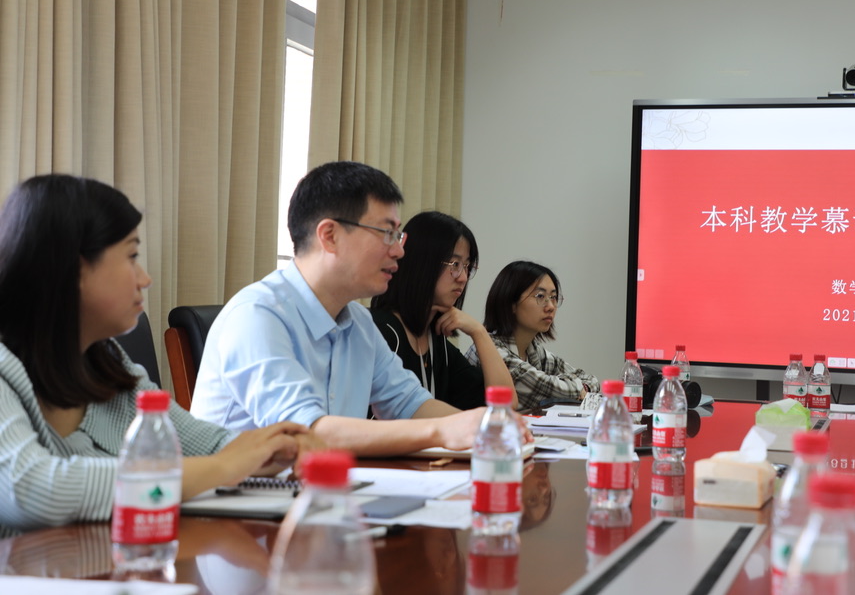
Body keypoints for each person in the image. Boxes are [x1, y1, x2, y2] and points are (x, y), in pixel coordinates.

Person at [0, 175, 309, 534]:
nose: (144, 278)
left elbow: (208, 445)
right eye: (131, 256)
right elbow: (33, 490)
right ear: (74, 269)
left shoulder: (106, 360)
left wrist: (276, 448)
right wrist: (226, 466)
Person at [191, 161, 509, 456]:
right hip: (240, 494)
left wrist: (492, 429)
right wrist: (441, 431)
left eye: (398, 235)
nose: (399, 251)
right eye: (387, 234)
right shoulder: (257, 316)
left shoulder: (358, 322)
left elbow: (410, 403)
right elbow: (306, 434)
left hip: (325, 488)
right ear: (329, 236)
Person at [370, 211, 517, 410]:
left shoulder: (437, 343)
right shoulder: (381, 331)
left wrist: (479, 332)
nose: (463, 277)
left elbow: (506, 404)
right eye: (455, 264)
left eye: (467, 266)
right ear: (422, 263)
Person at [465, 260, 599, 412]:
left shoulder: (533, 351)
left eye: (554, 297)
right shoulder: (490, 349)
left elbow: (591, 379)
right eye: (540, 296)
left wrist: (583, 387)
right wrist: (578, 388)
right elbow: (548, 389)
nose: (550, 307)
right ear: (511, 303)